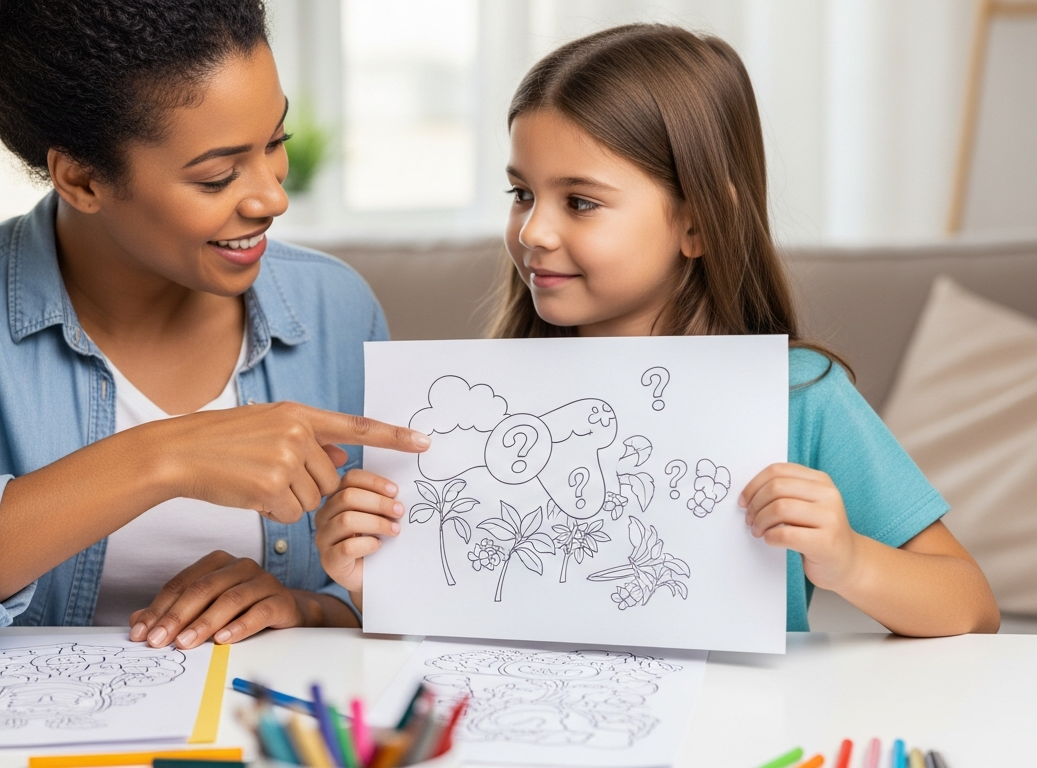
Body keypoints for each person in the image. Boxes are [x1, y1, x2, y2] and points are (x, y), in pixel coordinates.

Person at [0, 0, 428, 663]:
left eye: (276, 144)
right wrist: (163, 458)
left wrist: (308, 607)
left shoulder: (336, 308)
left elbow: (389, 584)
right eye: (216, 175)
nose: (271, 197)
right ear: (82, 178)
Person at [316, 24, 1000, 636]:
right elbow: (476, 601)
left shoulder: (799, 397)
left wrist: (847, 559)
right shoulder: (494, 408)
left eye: (580, 202)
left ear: (697, 223)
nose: (533, 231)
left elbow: (970, 606)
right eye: (522, 193)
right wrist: (366, 577)